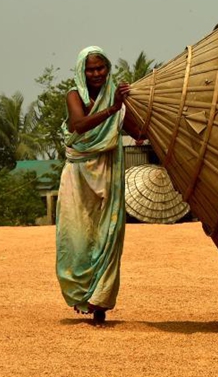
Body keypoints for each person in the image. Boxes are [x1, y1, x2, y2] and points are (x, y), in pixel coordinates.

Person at [55, 45, 143, 323]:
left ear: (108, 69)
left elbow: (134, 128)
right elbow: (79, 125)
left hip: (108, 169)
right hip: (79, 173)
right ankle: (81, 294)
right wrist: (114, 108)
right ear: (82, 71)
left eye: (101, 68)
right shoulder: (74, 95)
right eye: (90, 69)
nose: (96, 73)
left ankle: (100, 301)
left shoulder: (117, 96)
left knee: (108, 233)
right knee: (76, 233)